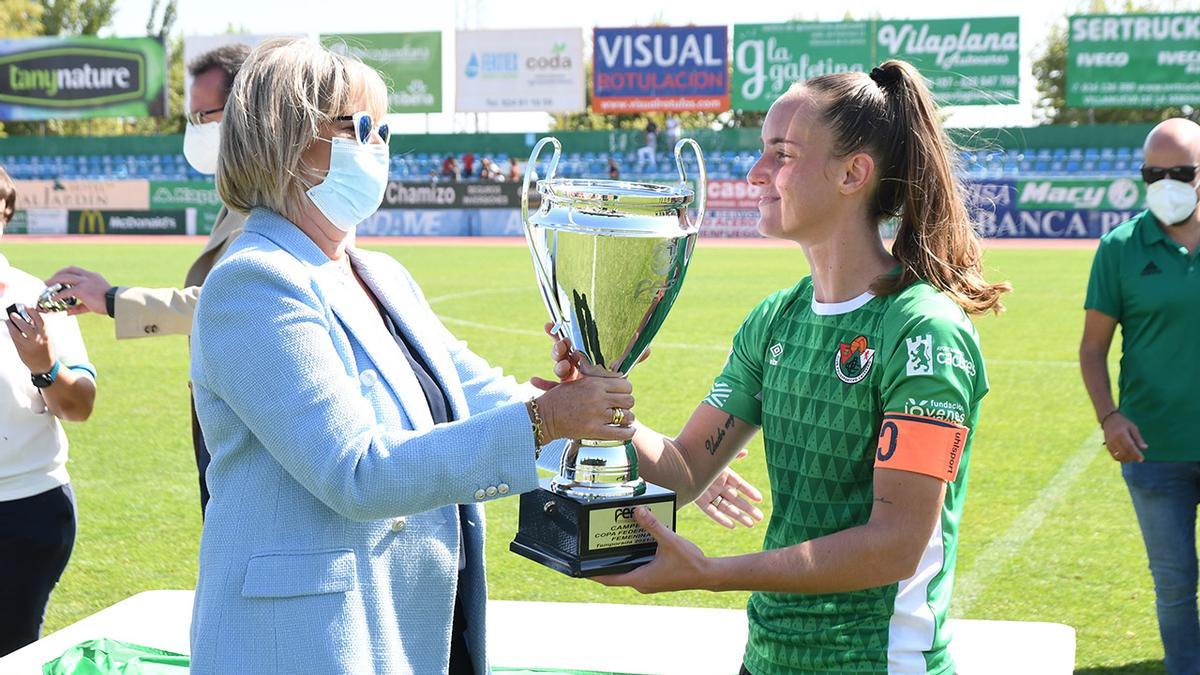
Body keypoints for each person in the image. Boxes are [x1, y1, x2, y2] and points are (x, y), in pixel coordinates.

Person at [187, 38, 634, 674]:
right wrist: (549, 420)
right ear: (282, 138)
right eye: (356, 127)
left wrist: (631, 443)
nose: (377, 148)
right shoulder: (255, 281)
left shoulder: (381, 274)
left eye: (384, 130)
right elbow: (357, 471)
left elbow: (479, 392)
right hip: (303, 643)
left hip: (407, 616)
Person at [550, 60, 1009, 673]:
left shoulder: (925, 331)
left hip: (879, 662)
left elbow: (895, 545)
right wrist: (599, 410)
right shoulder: (776, 319)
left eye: (781, 155)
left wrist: (714, 574)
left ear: (853, 173)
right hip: (767, 658)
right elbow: (686, 469)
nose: (755, 172)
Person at [44, 43, 251, 516]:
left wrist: (112, 298)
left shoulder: (270, 197)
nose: (193, 129)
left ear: (243, 110)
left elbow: (226, 301)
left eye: (203, 116)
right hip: (223, 404)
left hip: (247, 412)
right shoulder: (242, 191)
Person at [1079, 118, 1200, 675]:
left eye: (1182, 173)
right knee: (1174, 584)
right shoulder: (1121, 247)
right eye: (1154, 173)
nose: (1167, 183)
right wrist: (1109, 417)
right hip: (1155, 450)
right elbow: (1092, 349)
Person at [0, 166, 97, 656]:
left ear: (6, 215)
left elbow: (79, 406)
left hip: (27, 509)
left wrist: (43, 363)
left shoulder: (32, 296)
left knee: (13, 652)